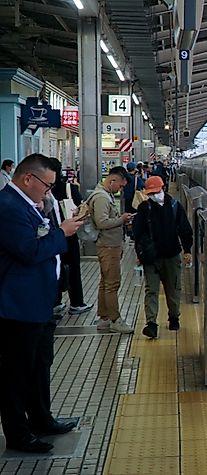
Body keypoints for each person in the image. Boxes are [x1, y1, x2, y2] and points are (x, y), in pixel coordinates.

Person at [0, 153, 83, 453]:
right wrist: (62, 233)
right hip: (18, 307)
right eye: (47, 186)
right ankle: (18, 434)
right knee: (16, 372)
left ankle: (41, 419)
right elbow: (29, 251)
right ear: (27, 179)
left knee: (38, 366)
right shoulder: (9, 207)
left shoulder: (26, 205)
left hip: (38, 303)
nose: (49, 191)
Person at [133, 176, 193, 338]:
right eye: (151, 193)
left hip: (172, 255)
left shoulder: (174, 206)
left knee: (173, 289)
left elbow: (185, 230)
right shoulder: (144, 208)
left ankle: (174, 317)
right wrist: (139, 253)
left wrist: (187, 250)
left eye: (156, 192)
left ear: (163, 188)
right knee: (151, 290)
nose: (154, 195)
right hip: (151, 258)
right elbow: (138, 233)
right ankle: (151, 324)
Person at [89, 166, 134, 333]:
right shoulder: (102, 197)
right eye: (120, 186)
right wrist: (122, 219)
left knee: (105, 282)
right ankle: (115, 320)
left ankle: (104, 318)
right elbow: (102, 222)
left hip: (108, 244)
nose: (120, 189)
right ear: (112, 180)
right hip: (108, 246)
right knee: (112, 284)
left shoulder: (104, 195)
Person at [48, 158, 93, 315]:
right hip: (70, 234)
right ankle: (76, 303)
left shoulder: (44, 189)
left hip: (50, 234)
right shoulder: (69, 188)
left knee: (54, 267)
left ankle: (55, 302)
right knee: (73, 268)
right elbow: (82, 207)